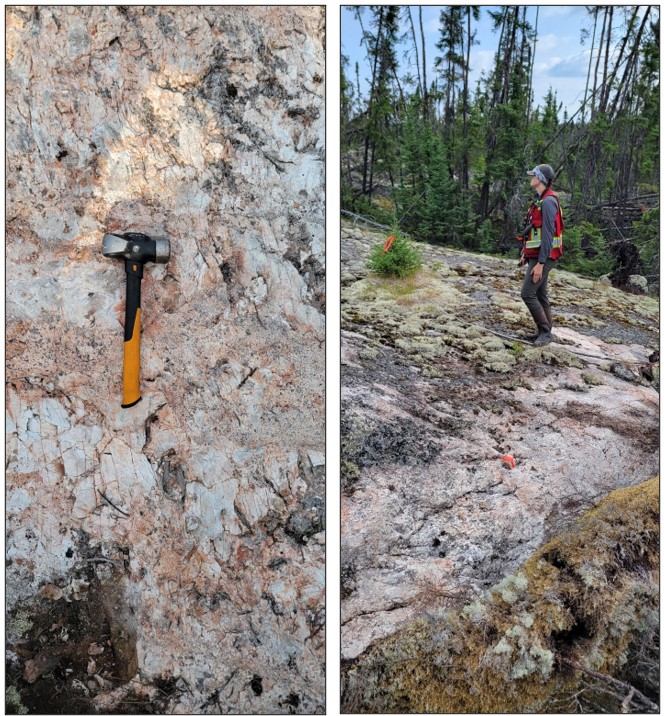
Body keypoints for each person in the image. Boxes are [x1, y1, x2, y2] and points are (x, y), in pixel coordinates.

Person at [518, 163, 564, 346]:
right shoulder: (540, 199)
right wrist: (526, 253)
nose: (531, 178)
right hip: (538, 255)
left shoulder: (548, 202)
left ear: (541, 179)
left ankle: (545, 332)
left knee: (528, 293)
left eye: (533, 175)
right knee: (541, 294)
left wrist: (540, 263)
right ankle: (544, 331)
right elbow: (534, 231)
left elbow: (547, 234)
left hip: (545, 257)